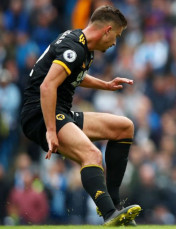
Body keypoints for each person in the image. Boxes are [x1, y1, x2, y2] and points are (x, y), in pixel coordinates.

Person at [20, 5, 141, 226]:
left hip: (60, 112)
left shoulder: (82, 45)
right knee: (92, 155)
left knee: (124, 127)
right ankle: (109, 215)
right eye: (116, 35)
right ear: (107, 30)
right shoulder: (74, 47)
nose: (115, 42)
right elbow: (47, 87)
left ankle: (114, 204)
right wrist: (50, 130)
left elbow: (70, 72)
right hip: (40, 113)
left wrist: (105, 84)